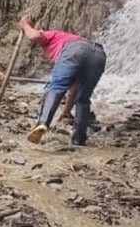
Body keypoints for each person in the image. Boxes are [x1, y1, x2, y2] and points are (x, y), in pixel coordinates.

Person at [19, 16, 106, 145]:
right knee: (83, 98)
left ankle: (42, 123)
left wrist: (25, 25)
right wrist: (66, 112)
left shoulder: (52, 35)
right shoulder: (74, 38)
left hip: (75, 50)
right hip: (99, 54)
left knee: (56, 87)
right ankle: (79, 139)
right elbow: (73, 90)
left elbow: (34, 36)